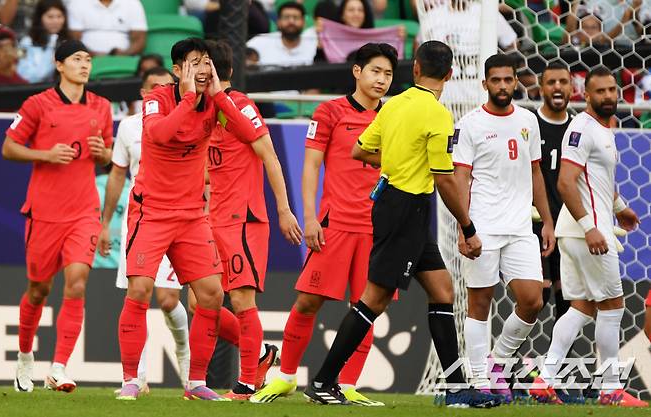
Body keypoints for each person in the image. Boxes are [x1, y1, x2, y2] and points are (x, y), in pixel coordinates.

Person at [303, 40, 500, 409]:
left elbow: (359, 150)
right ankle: (323, 380)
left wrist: (397, 156)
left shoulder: (394, 106)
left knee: (443, 291)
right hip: (407, 206)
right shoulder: (438, 115)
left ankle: (457, 388)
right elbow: (444, 178)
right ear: (451, 75)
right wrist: (467, 226)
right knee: (373, 299)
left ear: (415, 70)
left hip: (398, 204)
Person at [251, 43, 396, 407]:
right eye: (376, 71)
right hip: (336, 223)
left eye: (389, 74)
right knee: (308, 300)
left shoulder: (394, 115)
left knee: (367, 308)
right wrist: (311, 217)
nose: (381, 79)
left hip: (377, 228)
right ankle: (285, 377)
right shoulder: (330, 111)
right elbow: (311, 165)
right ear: (357, 72)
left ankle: (345, 385)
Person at [115, 37, 257, 401]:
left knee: (211, 295)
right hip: (152, 213)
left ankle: (196, 383)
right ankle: (131, 379)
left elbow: (246, 133)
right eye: (194, 63)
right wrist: (191, 99)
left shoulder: (215, 102)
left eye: (206, 63)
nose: (202, 69)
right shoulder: (156, 100)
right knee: (141, 291)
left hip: (192, 216)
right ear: (178, 70)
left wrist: (218, 95)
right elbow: (159, 135)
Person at [2, 39, 113, 393]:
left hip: (84, 210)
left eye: (88, 59)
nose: (85, 65)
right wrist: (45, 155)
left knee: (77, 281)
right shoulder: (37, 104)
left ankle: (59, 367)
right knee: (39, 290)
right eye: (77, 59)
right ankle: (24, 358)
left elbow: (108, 154)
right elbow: (8, 147)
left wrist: (102, 153)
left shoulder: (102, 106)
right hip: (45, 211)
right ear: (59, 65)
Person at [533, 66, 647, 408]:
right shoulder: (582, 128)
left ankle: (545, 380)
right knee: (613, 307)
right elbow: (565, 182)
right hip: (586, 233)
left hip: (579, 232)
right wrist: (590, 227)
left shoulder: (602, 128)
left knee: (581, 307)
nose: (609, 96)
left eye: (613, 89)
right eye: (601, 91)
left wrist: (620, 206)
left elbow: (599, 180)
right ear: (586, 95)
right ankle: (611, 388)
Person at [453, 53, 555, 403]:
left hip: (520, 228)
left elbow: (536, 172)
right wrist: (464, 230)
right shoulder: (470, 124)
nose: (501, 86)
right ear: (485, 84)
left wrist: (547, 222)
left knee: (532, 299)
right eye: (495, 80)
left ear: (515, 81)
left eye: (507, 80)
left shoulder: (528, 120)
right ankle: (480, 380)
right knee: (479, 303)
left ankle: (498, 362)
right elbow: (460, 177)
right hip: (482, 227)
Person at [204, 40, 302, 400]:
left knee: (242, 300)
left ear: (211, 70)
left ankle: (246, 383)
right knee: (201, 303)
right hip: (214, 218)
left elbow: (270, 156)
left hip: (243, 219)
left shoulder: (240, 106)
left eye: (197, 65)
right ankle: (260, 354)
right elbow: (214, 168)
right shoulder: (209, 111)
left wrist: (283, 209)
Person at [97, 67, 190, 393]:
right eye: (153, 86)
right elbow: (118, 176)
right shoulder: (129, 127)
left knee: (167, 299)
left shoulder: (185, 120)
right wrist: (105, 223)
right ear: (142, 91)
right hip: (140, 219)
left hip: (177, 218)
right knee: (138, 296)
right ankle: (137, 379)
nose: (160, 91)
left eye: (165, 85)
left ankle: (186, 363)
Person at [533, 61, 574, 319]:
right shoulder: (529, 124)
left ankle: (558, 361)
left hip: (570, 226)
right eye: (551, 82)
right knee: (536, 297)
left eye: (563, 82)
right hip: (534, 224)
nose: (557, 87)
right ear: (541, 87)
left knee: (567, 301)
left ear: (572, 87)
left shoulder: (580, 128)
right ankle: (506, 357)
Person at [246, 2, 317, 67]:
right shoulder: (261, 41)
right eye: (286, 17)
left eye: (296, 18)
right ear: (278, 22)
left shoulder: (313, 44)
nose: (291, 21)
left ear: (304, 23)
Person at [68, 0, 147, 56]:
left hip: (123, 57)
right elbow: (74, 38)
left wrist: (125, 54)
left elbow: (139, 39)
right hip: (85, 57)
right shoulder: (77, 2)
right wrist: (88, 54)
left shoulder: (133, 3)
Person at [17, 0, 69, 83]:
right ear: (40, 18)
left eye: (59, 16)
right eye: (50, 17)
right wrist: (52, 58)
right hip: (33, 90)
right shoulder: (25, 43)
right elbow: (23, 74)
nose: (55, 21)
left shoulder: (69, 42)